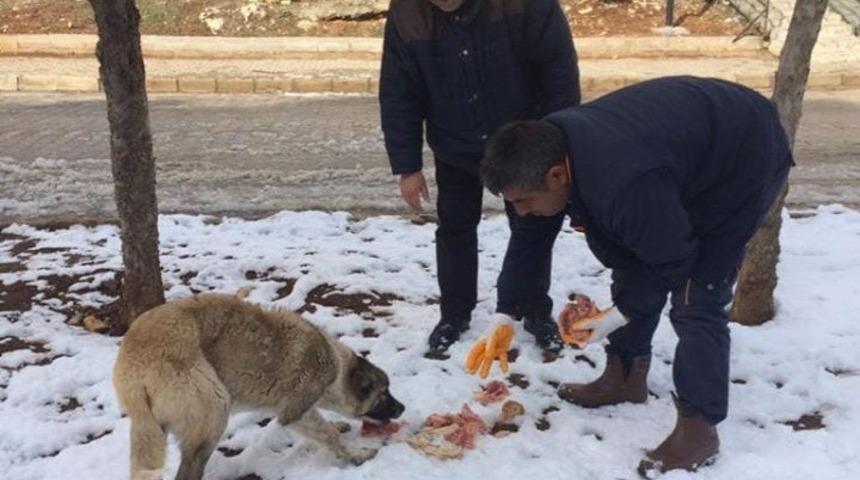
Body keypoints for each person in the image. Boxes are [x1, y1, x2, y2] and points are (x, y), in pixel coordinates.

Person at [479, 76, 793, 473]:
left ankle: (700, 427)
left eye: (524, 202)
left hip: (742, 154)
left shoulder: (622, 180)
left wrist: (617, 314)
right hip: (670, 159)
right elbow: (530, 238)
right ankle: (626, 375)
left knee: (696, 295)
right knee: (631, 252)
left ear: (558, 176)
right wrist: (505, 314)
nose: (520, 211)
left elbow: (672, 260)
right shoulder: (546, 156)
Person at [379, 0, 581, 353]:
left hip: (522, 139)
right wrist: (407, 166)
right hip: (454, 142)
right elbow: (399, 91)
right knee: (455, 227)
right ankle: (454, 314)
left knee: (530, 225)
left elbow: (559, 72)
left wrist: (558, 145)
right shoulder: (408, 13)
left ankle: (534, 308)